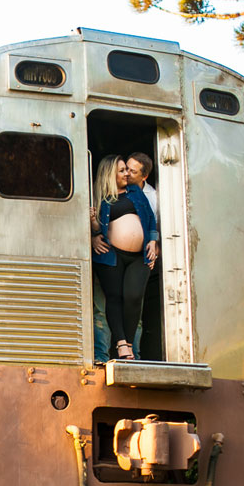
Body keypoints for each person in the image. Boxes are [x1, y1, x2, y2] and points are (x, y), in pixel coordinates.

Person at [91, 155, 158, 360]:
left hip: (140, 256)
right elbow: (97, 229)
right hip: (112, 255)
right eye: (122, 171)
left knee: (133, 297)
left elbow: (150, 217)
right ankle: (122, 346)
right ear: (110, 174)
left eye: (127, 170)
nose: (127, 174)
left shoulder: (135, 192)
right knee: (114, 298)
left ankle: (128, 343)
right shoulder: (100, 197)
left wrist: (153, 240)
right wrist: (93, 231)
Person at [126, 152, 163, 361]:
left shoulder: (153, 198)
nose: (128, 173)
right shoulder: (117, 188)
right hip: (116, 258)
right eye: (127, 168)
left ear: (144, 176)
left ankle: (134, 355)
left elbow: (154, 228)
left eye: (133, 171)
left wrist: (154, 246)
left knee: (135, 307)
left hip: (140, 260)